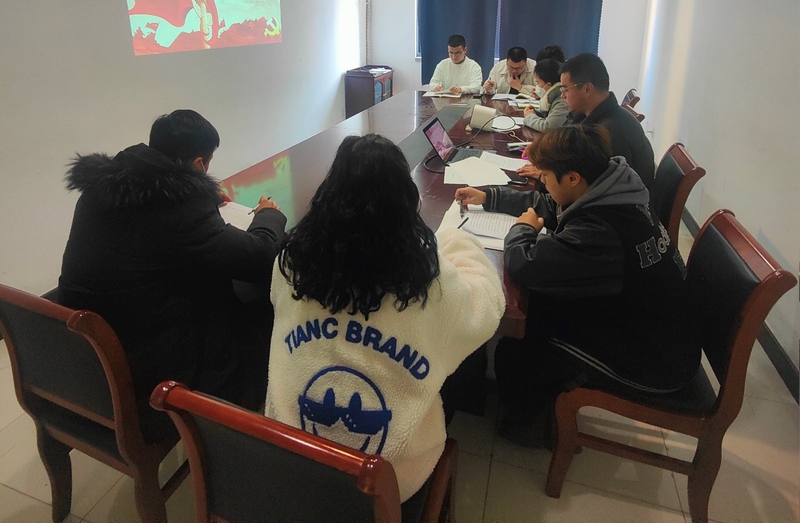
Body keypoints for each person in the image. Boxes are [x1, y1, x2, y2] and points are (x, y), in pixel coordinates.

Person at [266, 134, 504, 503]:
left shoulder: (291, 264)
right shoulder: (428, 280)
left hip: (291, 458)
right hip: (388, 481)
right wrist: (458, 241)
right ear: (406, 202)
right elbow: (486, 309)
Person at [455, 125, 700, 445]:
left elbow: (524, 264)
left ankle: (527, 426)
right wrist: (491, 196)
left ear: (572, 178)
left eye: (546, 177)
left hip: (653, 359)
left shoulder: (601, 231)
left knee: (522, 343)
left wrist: (522, 230)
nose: (543, 183)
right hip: (653, 326)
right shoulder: (612, 188)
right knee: (538, 307)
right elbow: (554, 206)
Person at [58, 110, 286, 436]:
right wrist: (268, 215)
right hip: (146, 366)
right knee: (258, 298)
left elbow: (151, 237)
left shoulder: (103, 186)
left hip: (84, 351)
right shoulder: (177, 209)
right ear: (198, 164)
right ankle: (241, 412)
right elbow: (260, 255)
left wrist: (201, 198)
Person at [560, 52, 655, 187]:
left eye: (565, 89)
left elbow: (589, 185)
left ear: (587, 89)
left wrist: (546, 176)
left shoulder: (607, 133)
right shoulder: (600, 115)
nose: (562, 96)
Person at [521, 58, 568, 132]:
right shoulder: (554, 96)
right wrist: (535, 113)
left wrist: (529, 117)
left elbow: (548, 127)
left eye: (538, 83)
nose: (537, 86)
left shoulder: (562, 101)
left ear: (548, 85)